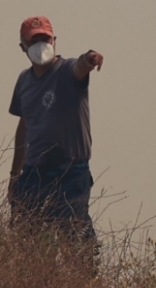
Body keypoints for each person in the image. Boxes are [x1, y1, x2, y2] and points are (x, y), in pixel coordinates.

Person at [8, 15, 103, 247]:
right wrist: (14, 174)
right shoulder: (24, 81)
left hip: (70, 170)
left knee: (74, 240)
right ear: (23, 47)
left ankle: (84, 281)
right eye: (33, 41)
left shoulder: (67, 71)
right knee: (30, 241)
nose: (40, 46)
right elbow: (23, 126)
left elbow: (81, 66)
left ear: (54, 41)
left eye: (45, 39)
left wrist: (90, 58)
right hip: (35, 173)